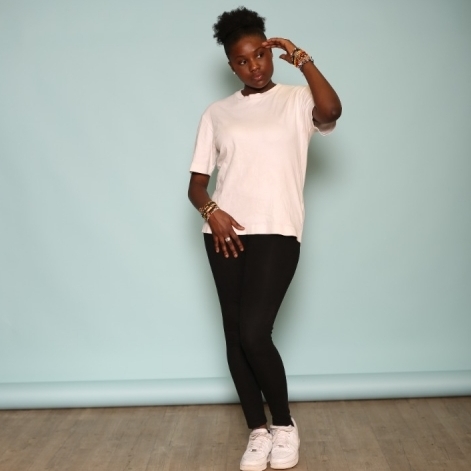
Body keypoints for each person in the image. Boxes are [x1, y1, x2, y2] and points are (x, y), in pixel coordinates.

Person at [188, 6, 341, 471]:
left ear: (271, 52)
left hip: (277, 229)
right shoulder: (217, 113)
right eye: (242, 60)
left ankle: (284, 426)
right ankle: (257, 430)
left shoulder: (297, 100)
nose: (254, 66)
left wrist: (301, 58)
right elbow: (196, 185)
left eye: (260, 55)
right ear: (231, 65)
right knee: (235, 335)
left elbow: (332, 111)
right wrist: (212, 212)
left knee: (256, 332)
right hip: (225, 233)